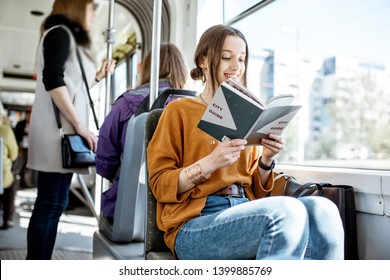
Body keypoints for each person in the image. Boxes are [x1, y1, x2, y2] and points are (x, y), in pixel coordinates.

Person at [147, 24, 344, 260]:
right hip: (194, 223)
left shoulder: (245, 115)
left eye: (241, 59)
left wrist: (267, 159)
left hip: (244, 210)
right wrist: (210, 163)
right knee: (286, 212)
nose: (236, 67)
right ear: (203, 60)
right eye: (226, 57)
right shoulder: (178, 111)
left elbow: (256, 192)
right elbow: (160, 185)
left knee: (325, 211)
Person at [26, 0, 115, 259]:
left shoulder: (60, 35)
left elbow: (70, 85)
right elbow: (54, 81)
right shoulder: (60, 33)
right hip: (60, 134)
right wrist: (80, 126)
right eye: (88, 8)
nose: (92, 14)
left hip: (60, 133)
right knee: (50, 205)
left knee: (52, 204)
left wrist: (97, 76)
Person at [96, 43, 188, 220]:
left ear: (146, 68)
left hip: (131, 208)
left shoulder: (126, 103)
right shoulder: (193, 106)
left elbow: (105, 157)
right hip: (180, 207)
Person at [0, 115, 18, 230]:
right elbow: (14, 154)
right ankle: (8, 219)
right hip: (3, 175)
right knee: (10, 190)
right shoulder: (5, 130)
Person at [13, 110, 35, 189]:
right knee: (18, 165)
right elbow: (16, 135)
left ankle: (25, 183)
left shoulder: (34, 124)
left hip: (30, 148)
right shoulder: (21, 124)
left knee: (27, 167)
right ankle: (15, 183)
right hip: (21, 147)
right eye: (28, 115)